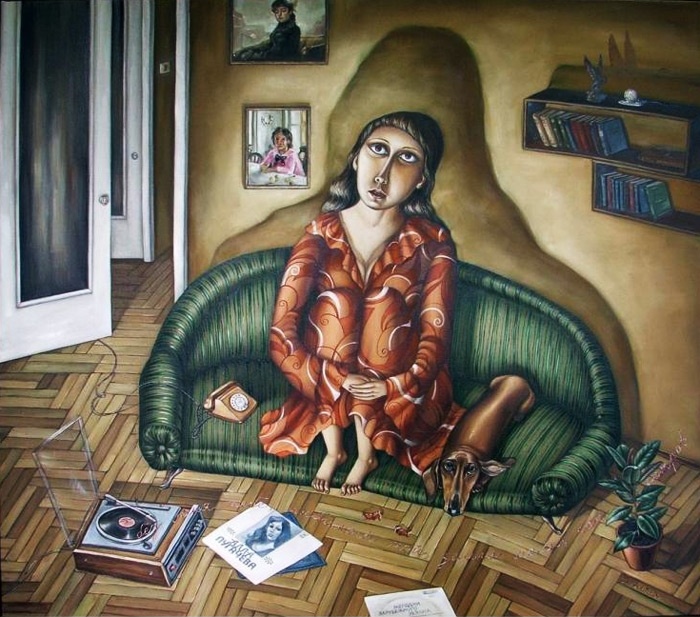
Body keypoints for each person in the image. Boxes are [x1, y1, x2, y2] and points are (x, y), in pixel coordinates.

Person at [259, 111, 534, 496]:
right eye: (377, 150)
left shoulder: (433, 243)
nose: (383, 174)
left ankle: (366, 455)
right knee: (337, 307)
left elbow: (435, 338)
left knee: (382, 307)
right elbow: (281, 334)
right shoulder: (320, 233)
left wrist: (392, 386)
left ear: (422, 178)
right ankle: (336, 450)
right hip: (326, 384)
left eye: (406, 158)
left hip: (403, 393)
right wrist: (338, 378)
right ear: (356, 158)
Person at [233, 0, 301, 63]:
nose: (279, 14)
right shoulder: (281, 27)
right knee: (242, 53)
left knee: (243, 57)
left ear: (290, 12)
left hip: (283, 63)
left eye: (283, 11)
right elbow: (269, 43)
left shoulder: (293, 29)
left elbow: (276, 54)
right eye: (276, 12)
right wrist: (248, 49)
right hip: (273, 58)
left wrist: (251, 55)